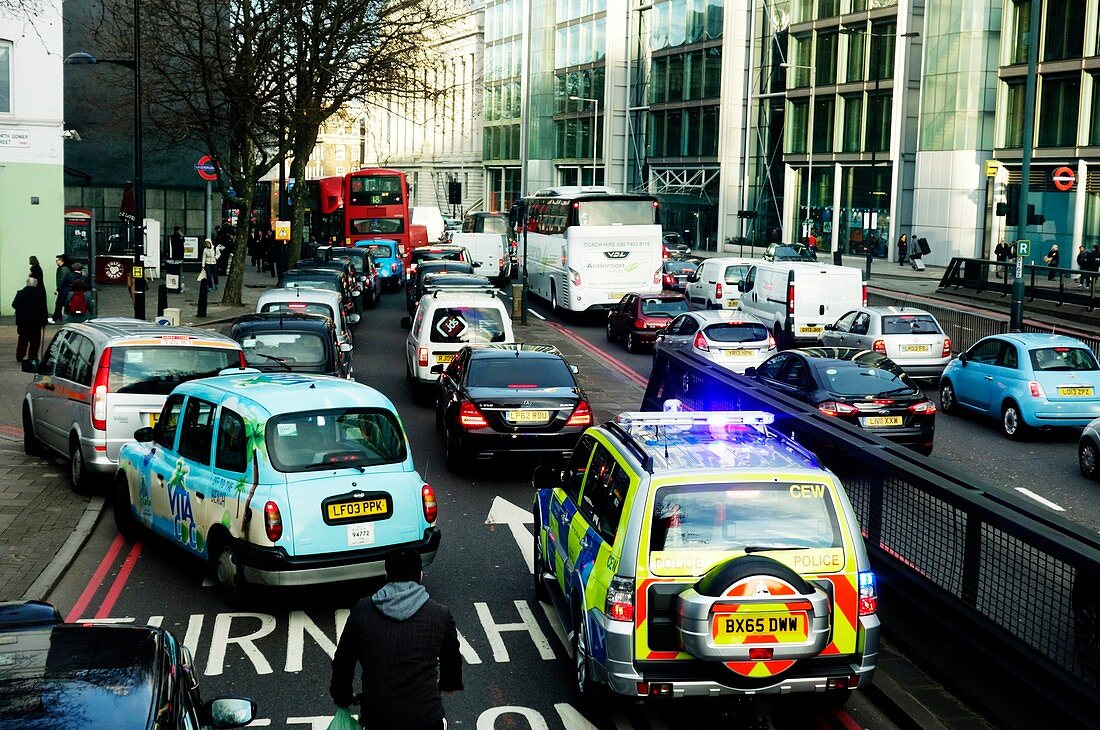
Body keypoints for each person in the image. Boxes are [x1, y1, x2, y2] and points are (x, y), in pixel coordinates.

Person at [330, 548, 462, 730]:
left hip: (377, 720)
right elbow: (452, 658)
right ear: (420, 576)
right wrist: (449, 682)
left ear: (387, 576)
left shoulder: (363, 610)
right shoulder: (439, 614)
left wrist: (343, 695)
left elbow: (343, 662)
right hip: (426, 720)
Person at [13, 276, 48, 362]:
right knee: (35, 340)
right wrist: (44, 321)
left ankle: (20, 355)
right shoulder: (39, 295)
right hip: (35, 322)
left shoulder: (20, 293)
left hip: (22, 321)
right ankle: (32, 356)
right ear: (35, 284)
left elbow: (14, 305)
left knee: (22, 339)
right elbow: (43, 309)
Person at [50, 254, 70, 324]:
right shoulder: (63, 268)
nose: (56, 262)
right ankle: (58, 317)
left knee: (59, 303)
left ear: (61, 260)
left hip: (63, 289)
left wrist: (58, 289)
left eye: (57, 260)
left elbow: (62, 280)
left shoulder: (63, 269)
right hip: (63, 289)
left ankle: (55, 318)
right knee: (60, 303)